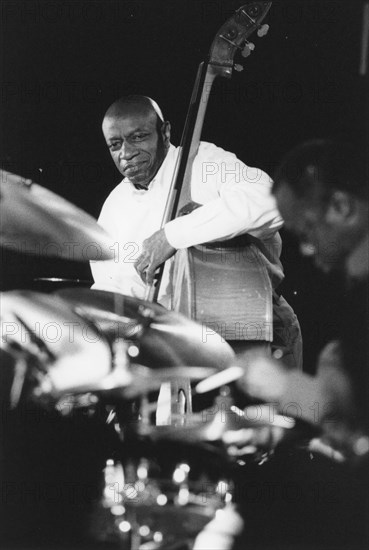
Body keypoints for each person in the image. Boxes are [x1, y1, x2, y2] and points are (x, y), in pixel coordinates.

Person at [91, 95, 302, 368]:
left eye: (139, 137)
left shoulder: (200, 161)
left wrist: (172, 235)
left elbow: (270, 201)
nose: (126, 153)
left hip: (255, 334)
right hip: (176, 350)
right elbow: (115, 289)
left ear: (165, 132)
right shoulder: (114, 207)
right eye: (115, 144)